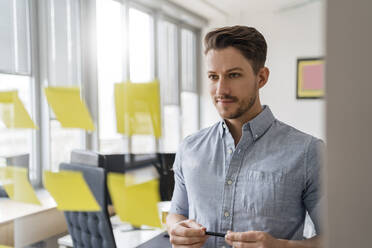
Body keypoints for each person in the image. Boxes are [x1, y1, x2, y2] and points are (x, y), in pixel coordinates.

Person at [166, 25, 324, 248]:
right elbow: (177, 212)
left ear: (261, 77)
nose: (221, 89)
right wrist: (176, 228)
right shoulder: (189, 148)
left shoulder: (308, 151)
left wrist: (283, 247)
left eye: (233, 75)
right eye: (213, 76)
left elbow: (339, 238)